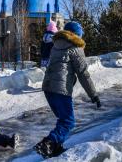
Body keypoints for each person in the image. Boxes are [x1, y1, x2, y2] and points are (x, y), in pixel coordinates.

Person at [34, 21, 101, 158]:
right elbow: (83, 74)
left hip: (48, 87)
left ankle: (56, 147)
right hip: (60, 89)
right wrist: (93, 95)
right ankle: (48, 143)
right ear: (77, 35)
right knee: (68, 121)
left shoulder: (56, 45)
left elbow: (60, 67)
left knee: (62, 119)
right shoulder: (76, 48)